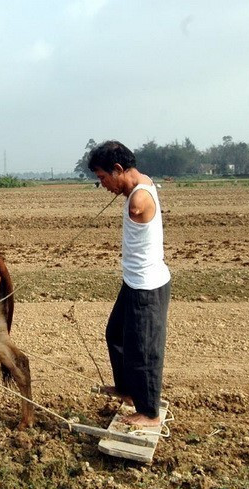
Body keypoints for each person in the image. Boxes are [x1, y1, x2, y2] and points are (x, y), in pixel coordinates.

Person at [88, 140, 171, 427]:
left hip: (146, 286)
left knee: (143, 349)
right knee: (116, 334)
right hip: (134, 281)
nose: (103, 185)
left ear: (119, 169)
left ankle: (149, 413)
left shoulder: (137, 200)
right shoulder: (142, 182)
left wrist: (126, 194)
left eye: (102, 178)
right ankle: (126, 390)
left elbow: (138, 207)